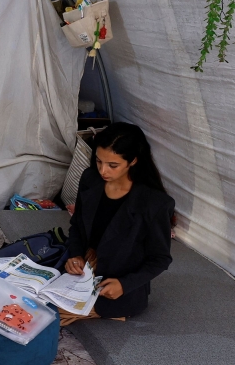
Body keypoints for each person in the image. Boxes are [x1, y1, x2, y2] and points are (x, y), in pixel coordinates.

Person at [61, 122, 174, 325]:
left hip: (118, 279)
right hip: (85, 267)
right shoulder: (90, 179)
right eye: (99, 161)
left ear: (133, 161)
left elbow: (160, 258)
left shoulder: (154, 204)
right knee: (28, 297)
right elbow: (77, 225)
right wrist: (75, 255)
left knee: (47, 313)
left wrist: (124, 284)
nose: (103, 170)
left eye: (113, 165)